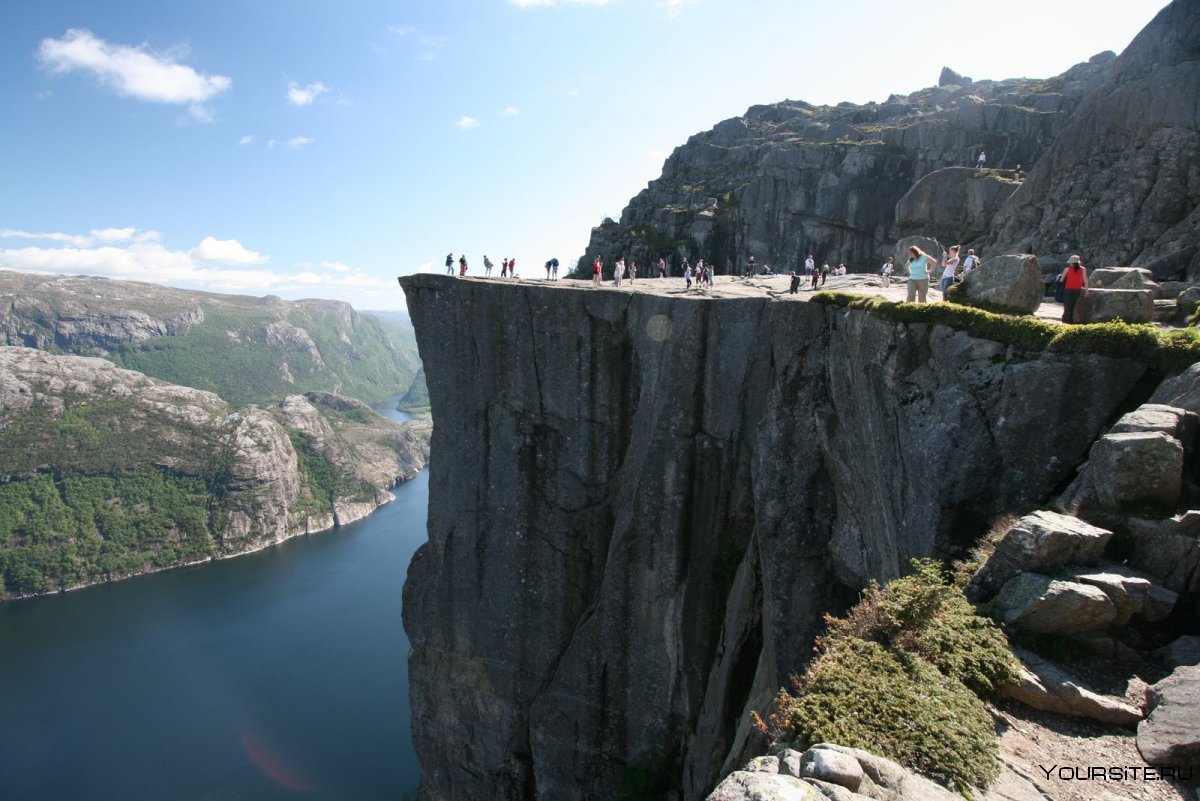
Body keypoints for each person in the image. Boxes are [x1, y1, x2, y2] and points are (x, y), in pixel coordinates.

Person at [1061, 254, 1089, 324]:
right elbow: (1085, 279)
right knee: (1073, 306)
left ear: (1073, 263)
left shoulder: (1067, 269)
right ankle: (1069, 321)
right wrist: (1086, 289)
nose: (1070, 263)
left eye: (1071, 262)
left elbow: (1061, 280)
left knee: (1067, 306)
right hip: (1077, 290)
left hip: (1068, 289)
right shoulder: (1083, 269)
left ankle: (1067, 321)